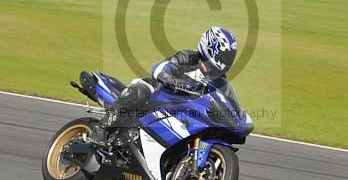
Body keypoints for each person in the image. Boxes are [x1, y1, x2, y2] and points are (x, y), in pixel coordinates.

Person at [92, 27, 238, 143]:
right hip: (158, 94)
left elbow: (224, 100)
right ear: (212, 48)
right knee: (142, 90)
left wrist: (236, 114)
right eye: (225, 55)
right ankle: (102, 128)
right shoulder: (188, 58)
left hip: (180, 110)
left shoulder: (218, 79)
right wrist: (172, 81)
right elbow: (160, 68)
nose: (227, 60)